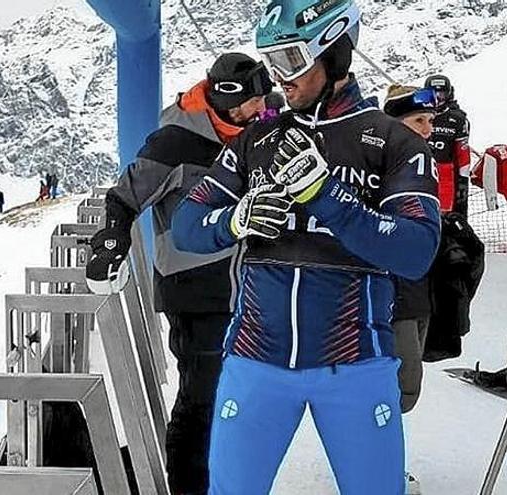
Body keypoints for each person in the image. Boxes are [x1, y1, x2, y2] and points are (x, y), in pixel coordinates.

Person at [172, 0, 441, 492]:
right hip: (256, 363)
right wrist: (235, 219)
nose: (281, 78)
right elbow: (186, 227)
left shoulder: (394, 142)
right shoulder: (257, 140)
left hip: (357, 365)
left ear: (335, 51)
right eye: (272, 63)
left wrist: (328, 198)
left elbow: (416, 251)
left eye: (292, 61)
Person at [84, 52, 271, 495]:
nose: (258, 111)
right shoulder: (175, 142)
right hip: (195, 289)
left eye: (262, 101)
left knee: (242, 396)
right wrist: (111, 241)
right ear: (224, 99)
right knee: (202, 397)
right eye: (250, 104)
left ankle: (228, 481)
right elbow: (125, 197)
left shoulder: (258, 132)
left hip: (252, 286)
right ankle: (190, 488)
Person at [383, 83, 437, 413]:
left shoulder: (419, 163)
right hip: (388, 291)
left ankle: (381, 461)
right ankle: (374, 462)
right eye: (419, 120)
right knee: (401, 386)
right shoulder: (374, 161)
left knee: (407, 387)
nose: (429, 130)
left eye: (430, 121)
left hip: (417, 289)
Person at [423, 74, 471, 217]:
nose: (438, 98)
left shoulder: (457, 119)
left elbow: (463, 152)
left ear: (449, 94)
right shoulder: (416, 116)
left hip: (446, 175)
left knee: (450, 216)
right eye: (434, 94)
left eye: (442, 94)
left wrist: (463, 181)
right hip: (421, 173)